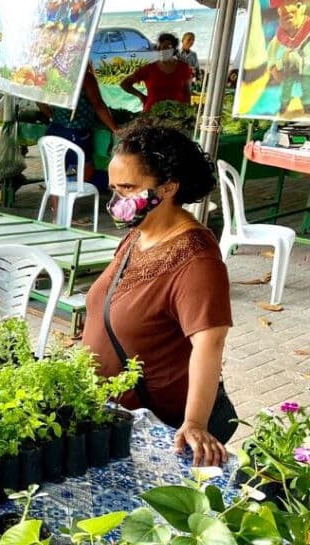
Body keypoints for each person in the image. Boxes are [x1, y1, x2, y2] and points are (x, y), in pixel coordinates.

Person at [82, 123, 233, 466]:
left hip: (159, 429)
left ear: (168, 188)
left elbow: (209, 345)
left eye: (129, 188)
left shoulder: (197, 258)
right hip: (113, 418)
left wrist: (194, 422)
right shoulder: (138, 234)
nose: (118, 200)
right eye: (114, 188)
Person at [41, 62, 118, 185]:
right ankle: (70, 190)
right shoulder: (84, 77)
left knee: (58, 171)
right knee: (83, 172)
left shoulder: (53, 74)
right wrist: (115, 129)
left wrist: (52, 116)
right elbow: (98, 105)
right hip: (76, 134)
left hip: (55, 129)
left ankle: (57, 203)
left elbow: (39, 99)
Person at [121, 33, 193, 112]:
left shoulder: (184, 68)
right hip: (151, 114)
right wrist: (141, 96)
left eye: (167, 47)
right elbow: (125, 84)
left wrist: (187, 112)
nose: (163, 50)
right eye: (160, 48)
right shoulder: (148, 69)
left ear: (174, 49)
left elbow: (187, 92)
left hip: (176, 114)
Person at [267, 0, 310, 116]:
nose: (283, 11)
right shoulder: (277, 41)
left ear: (301, 7)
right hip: (290, 114)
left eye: (288, 5)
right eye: (280, 9)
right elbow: (273, 65)